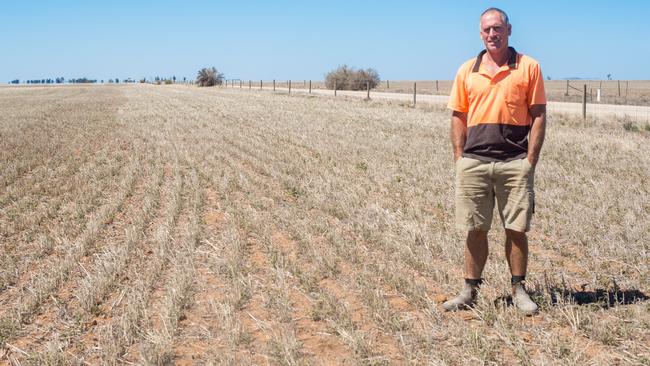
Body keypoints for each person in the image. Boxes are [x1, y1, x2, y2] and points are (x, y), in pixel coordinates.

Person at [444, 7, 547, 314]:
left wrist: (530, 160)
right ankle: (469, 290)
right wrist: (459, 158)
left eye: (498, 28)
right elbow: (457, 116)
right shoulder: (466, 70)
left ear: (509, 30)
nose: (493, 34)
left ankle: (519, 290)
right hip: (474, 162)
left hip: (514, 162)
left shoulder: (529, 67)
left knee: (516, 229)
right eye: (487, 29)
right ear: (480, 33)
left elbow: (539, 115)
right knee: (475, 229)